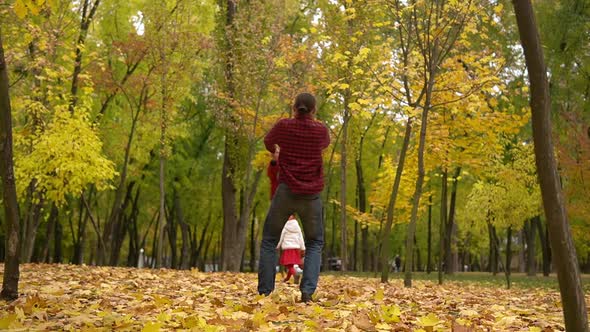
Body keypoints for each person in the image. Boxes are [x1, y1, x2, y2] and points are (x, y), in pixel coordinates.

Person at [258, 92, 330, 303]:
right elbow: (324, 145)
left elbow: (268, 141)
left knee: (270, 240)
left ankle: (265, 291)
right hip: (311, 195)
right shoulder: (320, 131)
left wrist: (277, 151)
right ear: (314, 109)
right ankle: (307, 291)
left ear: (294, 107)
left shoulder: (284, 126)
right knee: (315, 242)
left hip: (286, 190)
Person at [277, 215, 305, 283]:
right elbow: (301, 238)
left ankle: (295, 275)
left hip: (287, 248)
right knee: (291, 265)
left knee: (287, 264)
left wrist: (278, 246)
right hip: (296, 248)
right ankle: (287, 278)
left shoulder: (285, 227)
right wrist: (303, 248)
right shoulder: (298, 228)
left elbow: (281, 238)